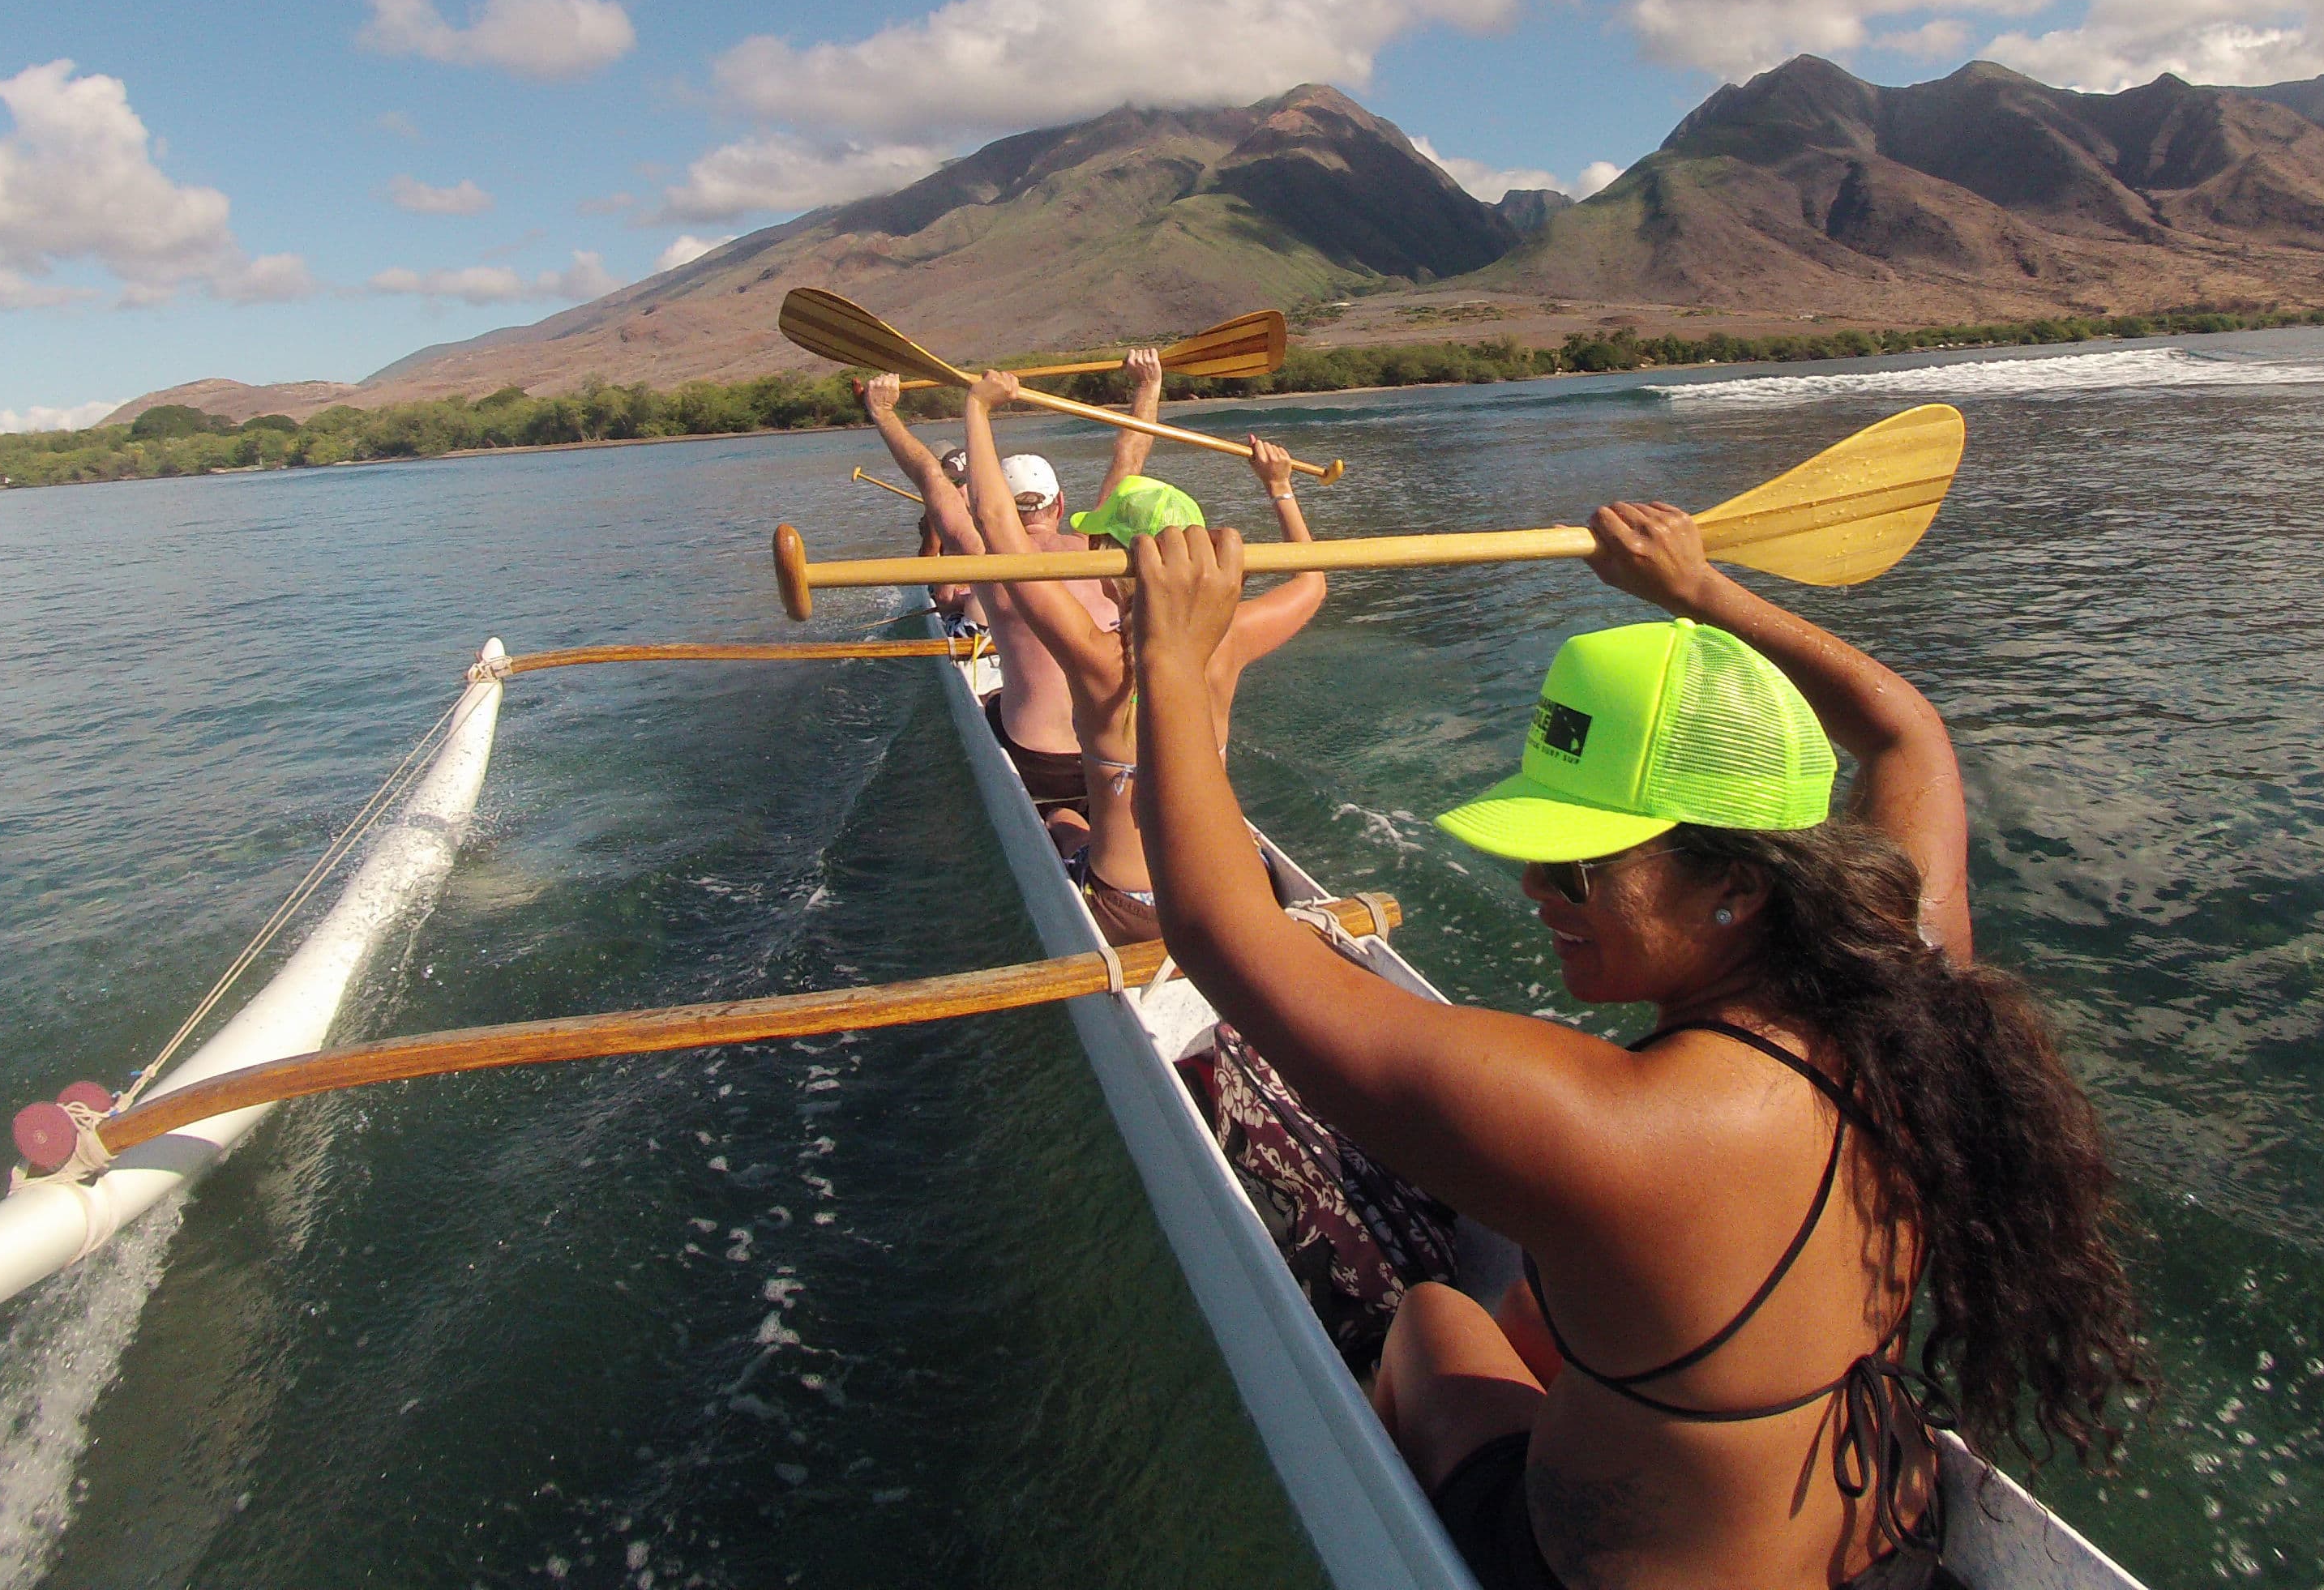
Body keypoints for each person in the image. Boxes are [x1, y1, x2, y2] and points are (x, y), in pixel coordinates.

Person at [1119, 502, 2146, 1590]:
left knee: (1427, 1323)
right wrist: (1697, 594)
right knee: (1547, 1317)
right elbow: (1904, 733)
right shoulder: (1909, 965)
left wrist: (1175, 662)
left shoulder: (1620, 1128)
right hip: (1891, 1550)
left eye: (1578, 864)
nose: (1534, 887)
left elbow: (1223, 931)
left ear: (1738, 888)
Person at [961, 361, 1325, 942]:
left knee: (1062, 819)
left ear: (1112, 564)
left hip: (1137, 912)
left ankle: (1062, 825)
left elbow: (997, 525)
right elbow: (1313, 583)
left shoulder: (1097, 659)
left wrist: (978, 410)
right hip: (1238, 888)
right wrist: (1280, 487)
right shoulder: (1229, 641)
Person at [862, 368, 1152, 846]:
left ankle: (1065, 829)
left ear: (986, 510)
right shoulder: (1101, 549)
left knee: (1005, 716)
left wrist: (882, 411)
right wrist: (1148, 386)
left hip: (1044, 754)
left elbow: (928, 474)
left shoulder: (983, 557)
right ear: (1059, 505)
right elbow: (1129, 460)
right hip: (1127, 739)